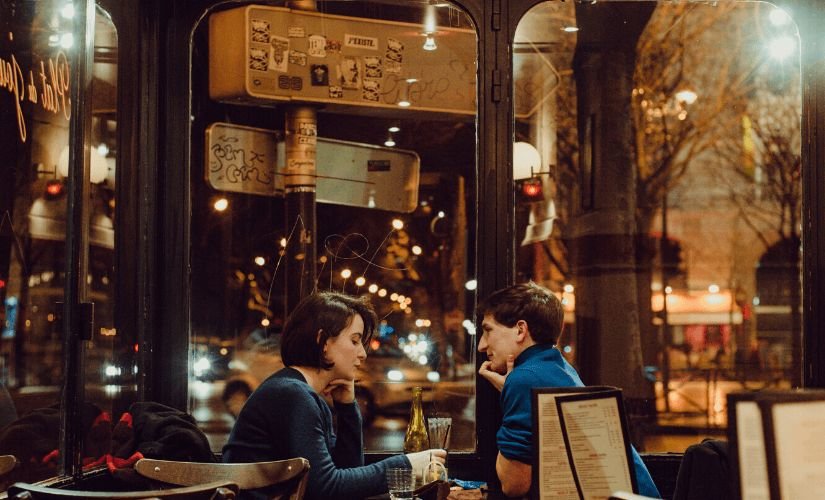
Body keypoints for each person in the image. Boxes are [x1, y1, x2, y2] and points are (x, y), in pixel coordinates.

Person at [223, 292, 445, 500]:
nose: (363, 353)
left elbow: (348, 476)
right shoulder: (292, 394)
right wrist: (406, 465)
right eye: (355, 340)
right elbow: (326, 488)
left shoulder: (297, 390)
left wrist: (347, 407)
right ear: (324, 343)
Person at [477, 282, 660, 498]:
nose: (481, 345)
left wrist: (511, 389)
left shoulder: (523, 378)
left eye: (488, 331)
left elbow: (513, 484)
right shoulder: (558, 367)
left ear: (520, 330)